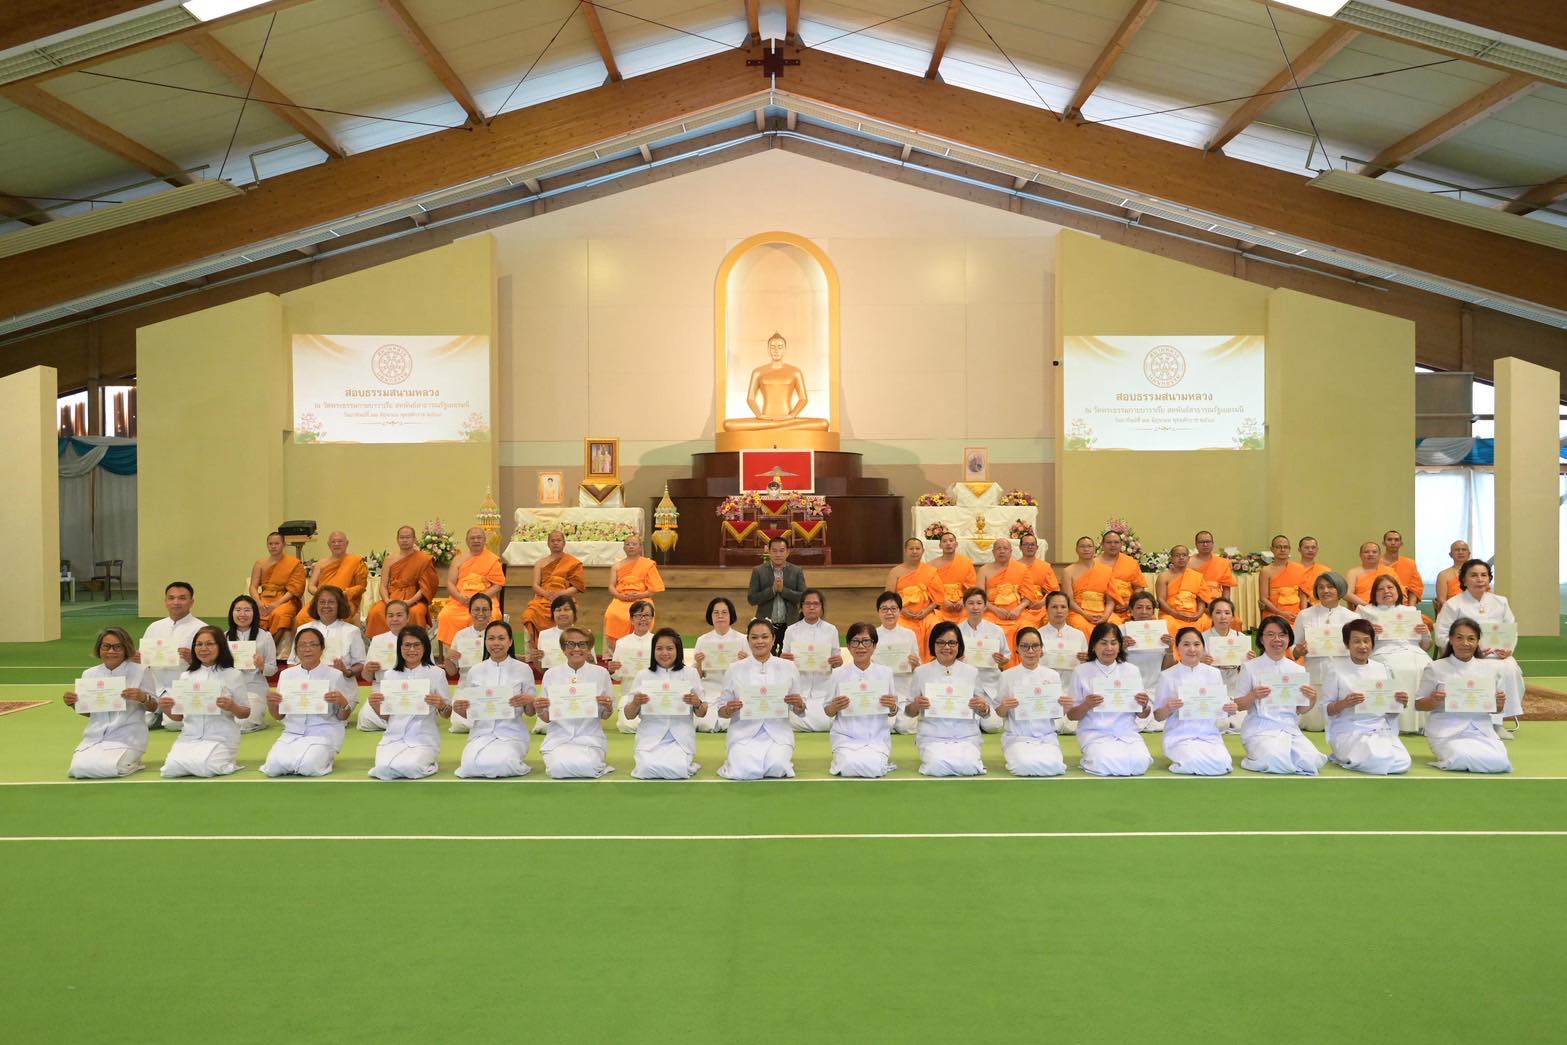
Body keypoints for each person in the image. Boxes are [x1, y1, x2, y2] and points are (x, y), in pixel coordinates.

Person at [1432, 559, 1525, 736]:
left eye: (1484, 575)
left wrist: (1508, 649)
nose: (1480, 579)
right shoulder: (1453, 604)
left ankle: (1498, 722)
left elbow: (1511, 629)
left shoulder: (1501, 602)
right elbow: (1442, 635)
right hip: (1466, 656)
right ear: (1464, 580)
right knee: (1485, 669)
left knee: (1509, 668)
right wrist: (1468, 650)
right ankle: (1481, 720)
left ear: (1489, 578)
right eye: (1474, 575)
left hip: (1498, 655)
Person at [1414, 617, 1510, 773]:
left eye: (1471, 639)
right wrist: (1433, 700)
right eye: (1459, 638)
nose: (1465, 643)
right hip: (1446, 730)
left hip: (1481, 729)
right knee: (1461, 757)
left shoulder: (1490, 669)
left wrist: (1499, 704)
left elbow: (1497, 710)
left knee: (1500, 762)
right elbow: (1418, 704)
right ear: (1451, 640)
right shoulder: (1435, 667)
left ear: (1478, 641)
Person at [260, 624, 357, 778]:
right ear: (296, 650)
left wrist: (343, 702)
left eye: (313, 645)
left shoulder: (334, 675)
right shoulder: (287, 675)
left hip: (323, 732)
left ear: (322, 649)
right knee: (273, 767)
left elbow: (342, 717)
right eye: (302, 645)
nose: (307, 649)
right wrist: (272, 705)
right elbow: (279, 716)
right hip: (292, 732)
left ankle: (325, 756)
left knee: (308, 767)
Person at [1234, 615, 1326, 775]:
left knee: (1312, 760)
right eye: (1270, 634)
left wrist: (1312, 699)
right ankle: (1256, 757)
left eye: (1282, 634)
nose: (1277, 639)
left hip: (1289, 728)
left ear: (1289, 639)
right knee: (1274, 758)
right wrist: (1253, 696)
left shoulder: (1297, 669)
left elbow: (1301, 709)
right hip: (1260, 729)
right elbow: (1238, 705)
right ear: (1261, 639)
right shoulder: (1249, 668)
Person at [1319, 618, 1412, 775]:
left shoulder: (1383, 669)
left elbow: (1390, 712)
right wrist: (1344, 703)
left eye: (1366, 641)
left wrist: (1400, 703)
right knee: (1377, 759)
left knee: (1404, 762)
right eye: (1356, 641)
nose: (1362, 646)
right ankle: (1356, 756)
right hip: (1349, 730)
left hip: (1380, 729)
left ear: (1372, 643)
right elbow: (1325, 709)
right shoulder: (1335, 669)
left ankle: (1364, 759)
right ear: (1347, 644)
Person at [717, 619, 806, 780]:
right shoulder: (735, 668)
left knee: (777, 767)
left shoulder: (788, 667)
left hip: (778, 733)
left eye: (764, 637)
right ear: (748, 641)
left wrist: (799, 705)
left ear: (773, 639)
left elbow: (799, 710)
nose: (759, 642)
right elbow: (722, 711)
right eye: (754, 637)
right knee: (742, 771)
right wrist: (728, 709)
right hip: (743, 734)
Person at [63, 627, 155, 778]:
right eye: (106, 646)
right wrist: (73, 704)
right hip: (96, 736)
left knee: (113, 768)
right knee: (78, 769)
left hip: (128, 737)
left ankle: (133, 763)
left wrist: (143, 697)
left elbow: (154, 706)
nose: (111, 651)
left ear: (126, 648)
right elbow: (89, 713)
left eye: (117, 647)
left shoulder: (141, 671)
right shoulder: (89, 674)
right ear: (99, 649)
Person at [157, 625, 248, 778]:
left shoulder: (233, 675)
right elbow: (178, 717)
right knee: (170, 769)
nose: (203, 648)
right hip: (190, 736)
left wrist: (232, 706)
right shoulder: (186, 676)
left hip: (221, 737)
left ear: (221, 646)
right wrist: (167, 708)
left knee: (206, 767)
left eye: (209, 644)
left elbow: (245, 712)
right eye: (199, 644)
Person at [1065, 622, 1152, 776]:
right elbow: (1071, 715)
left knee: (1141, 763)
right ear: (1093, 646)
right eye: (1103, 643)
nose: (1109, 648)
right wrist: (1086, 705)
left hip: (1126, 732)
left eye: (1113, 643)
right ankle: (1089, 759)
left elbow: (1142, 714)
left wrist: (1144, 705)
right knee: (1104, 762)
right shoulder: (1081, 671)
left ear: (1120, 646)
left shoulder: (1131, 671)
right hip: (1095, 733)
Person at [453, 620, 538, 779]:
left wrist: (529, 701)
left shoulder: (523, 670)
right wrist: (460, 709)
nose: (496, 643)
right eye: (491, 638)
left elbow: (531, 713)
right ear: (485, 642)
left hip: (512, 733)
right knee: (469, 766)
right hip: (481, 732)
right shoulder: (475, 671)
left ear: (510, 641)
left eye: (501, 638)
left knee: (503, 764)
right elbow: (471, 712)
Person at [367, 626, 451, 780]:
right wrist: (376, 706)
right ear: (400, 648)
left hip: (423, 737)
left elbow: (447, 714)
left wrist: (441, 705)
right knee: (383, 769)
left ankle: (428, 761)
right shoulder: (390, 675)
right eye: (407, 645)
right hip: (394, 736)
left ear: (424, 647)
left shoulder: (436, 673)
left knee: (410, 767)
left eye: (417, 645)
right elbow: (387, 717)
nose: (411, 649)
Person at [906, 621, 988, 777]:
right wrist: (916, 705)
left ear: (959, 645)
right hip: (933, 736)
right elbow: (909, 712)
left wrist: (982, 707)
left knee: (970, 766)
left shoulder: (971, 672)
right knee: (936, 766)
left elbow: (984, 711)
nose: (946, 647)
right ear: (933, 645)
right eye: (941, 642)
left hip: (966, 735)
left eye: (952, 642)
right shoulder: (921, 672)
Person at [623, 627, 705, 780]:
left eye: (669, 648)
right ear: (653, 651)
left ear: (678, 650)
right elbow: (628, 715)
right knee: (646, 768)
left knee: (678, 768)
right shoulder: (643, 675)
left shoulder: (690, 674)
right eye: (659, 648)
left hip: (680, 736)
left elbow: (702, 712)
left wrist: (697, 702)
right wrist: (635, 703)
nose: (664, 653)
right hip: (650, 736)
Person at [535, 625, 616, 779]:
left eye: (582, 644)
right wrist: (539, 710)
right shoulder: (551, 674)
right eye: (570, 644)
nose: (576, 649)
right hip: (559, 737)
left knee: (587, 767)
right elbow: (546, 717)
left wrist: (607, 706)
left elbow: (606, 716)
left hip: (590, 737)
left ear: (589, 648)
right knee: (558, 769)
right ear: (563, 648)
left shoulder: (601, 673)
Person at [1153, 627, 1235, 775]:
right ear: (1177, 647)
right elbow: (1158, 715)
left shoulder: (1214, 673)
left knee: (1223, 764)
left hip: (1209, 734)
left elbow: (1221, 707)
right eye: (1186, 644)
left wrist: (1229, 708)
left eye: (1197, 644)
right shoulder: (1167, 676)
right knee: (1192, 761)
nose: (1192, 649)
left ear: (1203, 647)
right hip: (1179, 735)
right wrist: (1168, 707)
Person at [1358, 573, 1432, 734]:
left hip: (1414, 651)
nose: (1386, 591)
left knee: (1427, 667)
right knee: (1394, 668)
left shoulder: (1410, 611)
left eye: (1390, 587)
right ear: (1374, 593)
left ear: (1398, 591)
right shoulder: (1366, 611)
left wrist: (1425, 633)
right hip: (1382, 651)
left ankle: (1423, 723)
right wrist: (1370, 633)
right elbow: (1358, 644)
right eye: (1381, 589)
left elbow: (1426, 646)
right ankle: (1395, 722)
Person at [823, 622, 899, 778]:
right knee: (847, 766)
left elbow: (892, 712)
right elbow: (827, 710)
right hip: (846, 737)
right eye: (855, 641)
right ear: (849, 646)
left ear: (874, 645)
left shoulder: (885, 673)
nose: (861, 646)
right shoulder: (838, 674)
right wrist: (835, 707)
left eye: (866, 641)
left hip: (876, 737)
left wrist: (892, 707)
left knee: (874, 768)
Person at [993, 626, 1070, 777]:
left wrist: (1065, 706)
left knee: (1056, 766)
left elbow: (1057, 713)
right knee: (1024, 766)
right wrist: (1005, 706)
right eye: (1025, 646)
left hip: (1046, 736)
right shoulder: (1007, 676)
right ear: (1017, 649)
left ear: (1042, 649)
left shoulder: (1052, 675)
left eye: (1035, 646)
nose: (1030, 651)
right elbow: (999, 712)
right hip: (1018, 737)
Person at [138, 581, 206, 730]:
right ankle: (157, 713)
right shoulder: (154, 627)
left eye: (182, 598)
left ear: (191, 602)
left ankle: (163, 716)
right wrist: (139, 659)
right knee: (140, 723)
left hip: (183, 687)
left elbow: (213, 665)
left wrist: (193, 659)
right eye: (171, 598)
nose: (176, 602)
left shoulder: (201, 629)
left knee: (174, 724)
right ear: (165, 601)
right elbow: (143, 662)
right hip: (156, 686)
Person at [1293, 572, 1356, 732]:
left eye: (1330, 587)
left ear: (1339, 589)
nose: (1325, 590)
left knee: (1342, 725)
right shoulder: (1305, 615)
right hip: (1315, 676)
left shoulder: (1352, 617)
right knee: (1314, 726)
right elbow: (1293, 647)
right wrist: (1298, 650)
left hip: (1343, 678)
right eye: (1320, 587)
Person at [782, 589, 842, 732]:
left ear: (821, 607)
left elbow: (837, 664)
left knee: (828, 720)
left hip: (823, 690)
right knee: (785, 717)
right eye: (807, 604)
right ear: (801, 607)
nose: (811, 607)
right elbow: (782, 664)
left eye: (816, 604)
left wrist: (837, 662)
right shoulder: (791, 630)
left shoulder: (831, 630)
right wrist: (784, 661)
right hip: (799, 691)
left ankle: (805, 723)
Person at [1066, 531, 1143, 636]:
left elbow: (1111, 598)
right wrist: (1086, 614)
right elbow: (1068, 599)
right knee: (1084, 628)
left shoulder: (1107, 569)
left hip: (1108, 610)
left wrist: (1106, 616)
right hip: (1081, 611)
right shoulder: (1069, 571)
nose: (1086, 549)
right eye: (1082, 546)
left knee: (1116, 626)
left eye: (1089, 546)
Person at [366, 525, 438, 637]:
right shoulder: (390, 559)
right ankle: (382, 648)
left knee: (415, 613)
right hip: (393, 598)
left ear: (414, 539)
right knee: (375, 612)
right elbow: (383, 586)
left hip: (415, 600)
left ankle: (415, 644)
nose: (404, 540)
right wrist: (387, 601)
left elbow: (426, 587)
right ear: (397, 539)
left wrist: (409, 602)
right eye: (401, 537)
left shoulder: (424, 559)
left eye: (408, 537)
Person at [439, 526, 506, 645]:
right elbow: (450, 582)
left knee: (493, 615)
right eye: (472, 538)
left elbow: (498, 585)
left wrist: (480, 598)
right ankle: (455, 651)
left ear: (484, 540)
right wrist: (459, 597)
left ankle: (486, 648)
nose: (476, 540)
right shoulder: (458, 559)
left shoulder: (492, 559)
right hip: (461, 600)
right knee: (446, 615)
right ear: (467, 541)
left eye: (479, 537)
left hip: (485, 599)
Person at [442, 591, 496, 735]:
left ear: (491, 611)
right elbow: (452, 672)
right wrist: (447, 658)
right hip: (466, 688)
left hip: (491, 687)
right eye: (476, 609)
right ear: (470, 611)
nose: (481, 613)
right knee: (460, 724)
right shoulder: (461, 635)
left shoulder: (497, 634)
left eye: (485, 609)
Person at [957, 587, 1010, 732]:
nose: (975, 607)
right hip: (966, 686)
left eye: (979, 603)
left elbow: (1007, 655)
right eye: (971, 603)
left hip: (991, 684)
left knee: (993, 726)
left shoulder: (996, 630)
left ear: (985, 606)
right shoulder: (957, 630)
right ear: (964, 605)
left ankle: (983, 716)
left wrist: (1002, 660)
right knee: (964, 725)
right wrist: (957, 660)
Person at [356, 599, 412, 733]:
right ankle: (401, 724)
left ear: (407, 618)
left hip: (408, 689)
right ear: (386, 618)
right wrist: (368, 669)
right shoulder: (377, 640)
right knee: (365, 720)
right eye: (390, 615)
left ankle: (399, 723)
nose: (395, 619)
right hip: (382, 689)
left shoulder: (419, 638)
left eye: (399, 615)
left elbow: (429, 670)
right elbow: (367, 677)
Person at [225, 594, 277, 734]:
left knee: (244, 723)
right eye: (238, 610)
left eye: (247, 610)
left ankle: (258, 720)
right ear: (232, 613)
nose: (242, 614)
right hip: (228, 690)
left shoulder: (265, 637)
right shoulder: (224, 637)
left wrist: (261, 666)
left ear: (254, 613)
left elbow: (272, 669)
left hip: (254, 688)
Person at [521, 529, 585, 643]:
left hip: (564, 598)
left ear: (564, 543)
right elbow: (535, 585)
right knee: (529, 614)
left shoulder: (573, 562)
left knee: (565, 611)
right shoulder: (540, 563)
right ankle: (534, 651)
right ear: (548, 544)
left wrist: (559, 594)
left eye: (559, 540)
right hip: (543, 598)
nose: (556, 543)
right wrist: (546, 594)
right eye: (553, 541)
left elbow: (576, 587)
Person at [1202, 597, 1254, 733]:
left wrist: (1250, 662)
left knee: (1241, 724)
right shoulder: (1201, 639)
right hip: (1211, 691)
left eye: (1227, 613)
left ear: (1233, 617)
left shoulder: (1241, 639)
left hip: (1235, 691)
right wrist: (1201, 662)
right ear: (1211, 615)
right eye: (1218, 613)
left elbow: (1249, 673)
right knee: (1219, 724)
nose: (1222, 617)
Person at [693, 596, 745, 733]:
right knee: (704, 722)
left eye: (724, 612)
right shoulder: (702, 640)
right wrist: (698, 663)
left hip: (735, 691)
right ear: (711, 616)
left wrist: (744, 662)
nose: (720, 616)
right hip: (710, 690)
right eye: (716, 613)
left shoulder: (742, 639)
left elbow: (751, 673)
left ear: (731, 615)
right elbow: (698, 676)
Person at [874, 591, 922, 735]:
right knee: (884, 727)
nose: (889, 613)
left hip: (903, 691)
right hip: (881, 692)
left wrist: (915, 665)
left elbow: (918, 668)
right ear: (878, 612)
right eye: (884, 609)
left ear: (899, 611)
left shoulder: (909, 635)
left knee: (905, 727)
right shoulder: (872, 635)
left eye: (893, 609)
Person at [296, 530, 369, 626]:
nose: (336, 544)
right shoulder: (321, 563)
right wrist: (323, 595)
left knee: (339, 616)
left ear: (347, 543)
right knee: (301, 617)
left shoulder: (355, 561)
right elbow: (311, 586)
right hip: (322, 600)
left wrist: (345, 593)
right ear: (328, 545)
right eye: (333, 542)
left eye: (340, 541)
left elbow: (361, 587)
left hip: (344, 600)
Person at [292, 586, 366, 680]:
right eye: (322, 602)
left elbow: (361, 664)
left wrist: (347, 672)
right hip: (309, 687)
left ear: (340, 605)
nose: (326, 606)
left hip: (340, 685)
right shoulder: (303, 629)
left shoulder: (352, 631)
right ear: (316, 605)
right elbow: (292, 662)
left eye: (331, 602)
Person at [885, 536, 943, 652]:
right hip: (901, 614)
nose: (915, 551)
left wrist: (926, 611)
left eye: (917, 548)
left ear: (923, 551)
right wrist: (901, 609)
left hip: (926, 614)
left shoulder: (930, 571)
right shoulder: (895, 572)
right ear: (905, 551)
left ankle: (931, 661)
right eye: (911, 549)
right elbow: (888, 597)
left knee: (935, 625)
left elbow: (938, 598)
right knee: (901, 628)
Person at [604, 534, 664, 645]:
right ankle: (617, 647)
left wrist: (640, 595)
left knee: (642, 615)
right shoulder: (617, 566)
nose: (630, 546)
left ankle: (641, 645)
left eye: (634, 544)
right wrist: (619, 596)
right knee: (611, 614)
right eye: (627, 544)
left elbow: (653, 589)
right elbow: (611, 586)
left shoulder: (648, 564)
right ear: (623, 548)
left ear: (640, 547)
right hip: (621, 599)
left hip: (642, 599)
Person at [747, 537, 807, 647]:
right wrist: (772, 590)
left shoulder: (797, 571)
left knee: (789, 660)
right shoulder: (758, 571)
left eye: (781, 550)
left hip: (791, 624)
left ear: (787, 552)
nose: (778, 554)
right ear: (768, 552)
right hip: (765, 626)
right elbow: (752, 599)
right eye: (774, 551)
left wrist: (783, 590)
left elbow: (804, 598)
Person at [608, 600, 656, 733]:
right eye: (638, 615)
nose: (643, 619)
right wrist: (612, 669)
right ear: (631, 619)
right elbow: (618, 675)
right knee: (627, 726)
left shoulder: (658, 642)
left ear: (652, 618)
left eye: (646, 615)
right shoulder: (622, 643)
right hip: (629, 693)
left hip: (654, 693)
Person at [249, 532, 305, 644]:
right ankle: (253, 648)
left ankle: (271, 648)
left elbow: (294, 589)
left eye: (276, 543)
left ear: (283, 544)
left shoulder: (294, 563)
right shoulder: (260, 563)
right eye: (270, 544)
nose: (273, 546)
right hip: (264, 597)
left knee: (279, 614)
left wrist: (277, 604)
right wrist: (259, 603)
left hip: (286, 599)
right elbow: (253, 587)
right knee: (251, 612)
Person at [977, 536, 1028, 654]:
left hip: (1017, 612)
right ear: (993, 552)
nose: (1002, 551)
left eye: (1005, 548)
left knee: (1026, 627)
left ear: (1011, 551)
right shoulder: (984, 570)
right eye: (998, 548)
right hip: (991, 611)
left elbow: (1028, 597)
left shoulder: (1021, 569)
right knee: (986, 628)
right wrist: (995, 610)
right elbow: (979, 597)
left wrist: (1018, 609)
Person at [929, 529, 977, 628]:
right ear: (940, 545)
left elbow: (972, 587)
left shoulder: (966, 563)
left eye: (951, 541)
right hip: (940, 607)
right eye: (944, 541)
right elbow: (930, 589)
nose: (948, 543)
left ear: (956, 544)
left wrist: (963, 600)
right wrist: (943, 601)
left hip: (962, 606)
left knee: (968, 623)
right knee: (933, 625)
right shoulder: (931, 565)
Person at [1156, 544, 1209, 632]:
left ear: (1188, 558)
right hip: (1171, 614)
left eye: (1184, 555)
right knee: (1168, 624)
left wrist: (1198, 615)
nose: (1181, 558)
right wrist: (1175, 614)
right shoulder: (1164, 577)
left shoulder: (1196, 576)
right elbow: (1161, 600)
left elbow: (1201, 600)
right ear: (1171, 559)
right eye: (1177, 555)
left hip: (1193, 615)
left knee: (1206, 621)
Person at [1015, 532, 1061, 630]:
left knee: (1050, 620)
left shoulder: (1045, 567)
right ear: (1020, 547)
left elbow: (1054, 591)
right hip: (1020, 606)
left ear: (1037, 547)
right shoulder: (1014, 566)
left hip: (1041, 606)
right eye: (1026, 544)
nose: (1029, 547)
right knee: (1022, 625)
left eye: (1032, 544)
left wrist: (1041, 603)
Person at [1258, 534, 1308, 624]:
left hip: (1296, 613)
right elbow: (1263, 598)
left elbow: (1302, 594)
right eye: (1278, 547)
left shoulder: (1299, 568)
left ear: (1289, 549)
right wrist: (1280, 613)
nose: (1282, 550)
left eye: (1286, 547)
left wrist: (1302, 614)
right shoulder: (1266, 571)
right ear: (1272, 549)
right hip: (1274, 613)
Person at [1345, 541, 1398, 609]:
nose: (1370, 554)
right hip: (1364, 609)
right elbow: (1347, 594)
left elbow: (1399, 592)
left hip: (1389, 608)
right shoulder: (1353, 573)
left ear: (1379, 555)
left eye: (1374, 552)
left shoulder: (1389, 571)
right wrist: (1368, 606)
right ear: (1360, 555)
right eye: (1366, 552)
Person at [1381, 529, 1424, 609]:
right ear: (1384, 543)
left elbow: (1414, 589)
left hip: (1403, 606)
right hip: (1379, 605)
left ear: (1401, 543)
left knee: (1426, 621)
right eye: (1389, 540)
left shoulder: (1409, 564)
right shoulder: (1376, 564)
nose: (1393, 543)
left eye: (1396, 540)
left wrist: (1411, 609)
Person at [1190, 531, 1236, 605]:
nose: (1205, 544)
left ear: (1212, 544)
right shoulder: (1189, 562)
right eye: (1201, 542)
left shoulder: (1222, 563)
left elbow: (1226, 589)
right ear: (1196, 545)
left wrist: (1224, 605)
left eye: (1208, 541)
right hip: (1195, 600)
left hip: (1216, 601)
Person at [1433, 540, 1471, 614]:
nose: (1460, 552)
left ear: (1469, 554)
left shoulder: (1478, 574)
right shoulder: (1443, 575)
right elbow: (1442, 600)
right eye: (1457, 550)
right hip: (1452, 612)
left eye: (1464, 549)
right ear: (1450, 554)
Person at [1297, 536, 1331, 608]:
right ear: (1299, 550)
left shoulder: (1325, 571)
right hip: (1295, 608)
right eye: (1306, 547)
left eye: (1313, 547)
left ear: (1317, 550)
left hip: (1319, 607)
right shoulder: (1293, 569)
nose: (1310, 550)